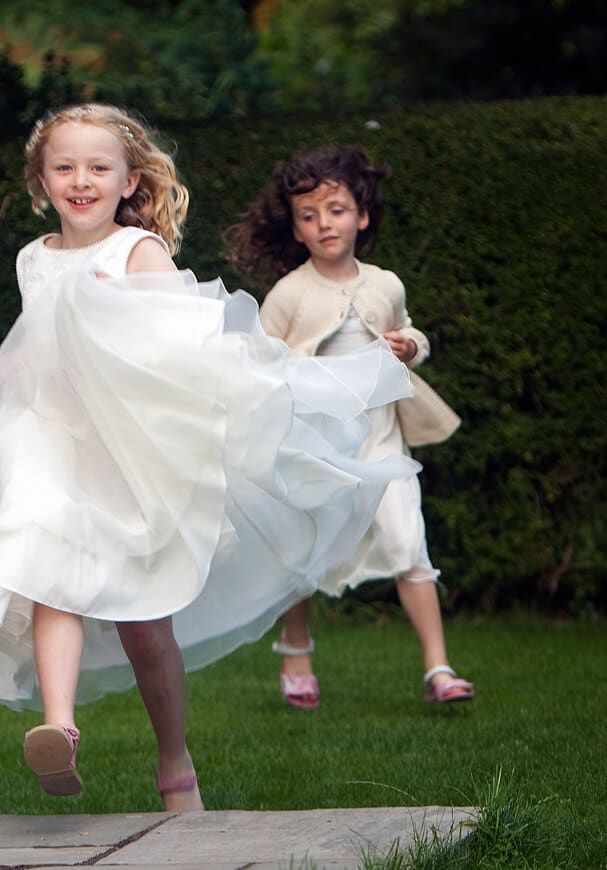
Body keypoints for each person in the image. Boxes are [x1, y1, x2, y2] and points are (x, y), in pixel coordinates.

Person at [0, 105, 416, 812]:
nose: (80, 181)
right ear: (40, 181)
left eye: (98, 168)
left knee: (143, 628)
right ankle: (59, 727)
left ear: (129, 181)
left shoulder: (136, 253)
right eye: (64, 168)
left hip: (124, 447)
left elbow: (181, 352)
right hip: (46, 437)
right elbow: (34, 350)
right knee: (44, 568)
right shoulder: (34, 258)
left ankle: (174, 760)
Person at [224, 143, 473, 709]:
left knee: (410, 546)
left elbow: (410, 332)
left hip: (383, 445)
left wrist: (411, 346)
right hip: (313, 451)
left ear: (361, 215)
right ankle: (296, 652)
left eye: (335, 210)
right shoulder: (289, 294)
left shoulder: (385, 285)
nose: (323, 224)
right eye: (308, 216)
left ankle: (439, 667)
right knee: (301, 556)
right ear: (296, 230)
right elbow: (259, 363)